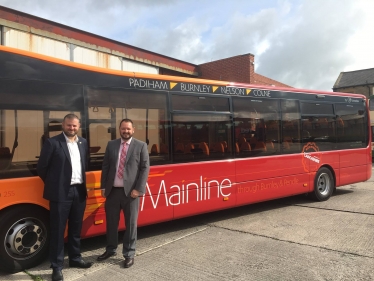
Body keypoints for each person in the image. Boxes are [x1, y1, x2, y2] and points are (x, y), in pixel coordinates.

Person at [37, 114, 93, 281]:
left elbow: (85, 164)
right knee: (58, 231)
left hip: (79, 192)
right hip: (60, 193)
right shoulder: (52, 143)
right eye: (69, 125)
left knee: (76, 229)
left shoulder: (83, 143)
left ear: (79, 126)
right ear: (63, 125)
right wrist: (56, 184)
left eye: (75, 126)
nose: (72, 128)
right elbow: (42, 168)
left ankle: (75, 259)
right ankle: (57, 266)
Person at [97, 118, 150, 268]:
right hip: (112, 192)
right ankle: (111, 249)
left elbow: (145, 168)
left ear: (133, 130)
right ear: (119, 129)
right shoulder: (111, 145)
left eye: (128, 129)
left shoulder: (141, 146)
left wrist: (138, 189)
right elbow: (105, 166)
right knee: (111, 224)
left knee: (131, 225)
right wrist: (103, 187)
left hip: (131, 194)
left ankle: (129, 254)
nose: (125, 131)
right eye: (123, 129)